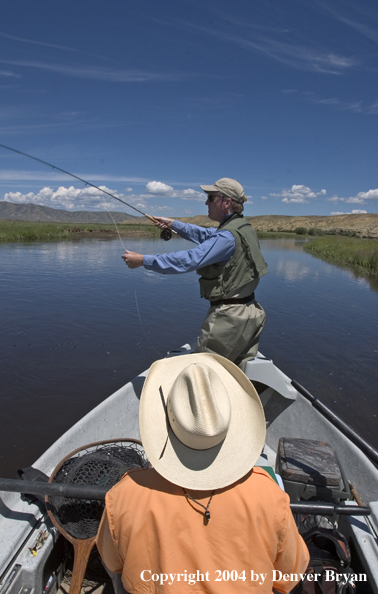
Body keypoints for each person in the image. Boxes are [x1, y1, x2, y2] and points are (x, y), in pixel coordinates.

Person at [96, 353, 309, 594]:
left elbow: (114, 565)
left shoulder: (124, 496)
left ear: (166, 421)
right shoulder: (270, 497)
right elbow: (288, 576)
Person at [121, 178, 268, 369]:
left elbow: (189, 259)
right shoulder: (242, 227)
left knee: (203, 375)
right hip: (251, 312)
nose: (206, 202)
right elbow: (208, 236)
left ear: (226, 202)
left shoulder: (227, 236)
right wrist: (174, 224)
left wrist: (142, 261)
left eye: (210, 198)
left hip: (229, 319)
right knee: (235, 373)